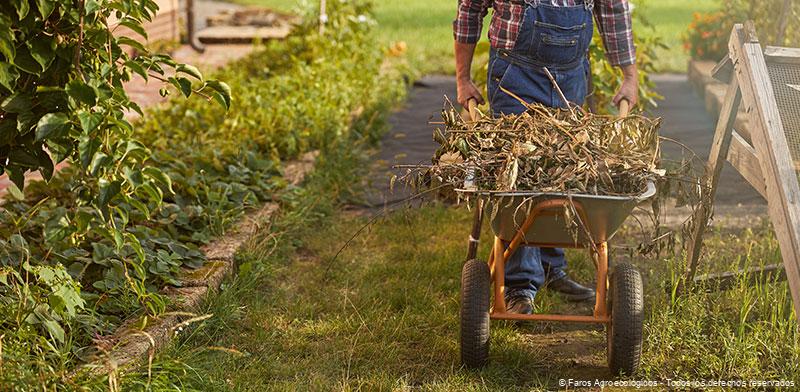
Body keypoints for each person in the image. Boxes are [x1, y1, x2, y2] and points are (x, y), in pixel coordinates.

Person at [454, 0, 639, 314]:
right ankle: (519, 284)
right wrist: (462, 78)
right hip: (516, 77)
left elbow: (612, 9)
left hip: (571, 77)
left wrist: (629, 77)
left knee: (564, 168)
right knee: (521, 176)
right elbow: (470, 9)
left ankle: (553, 267)